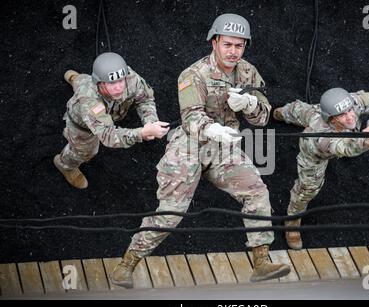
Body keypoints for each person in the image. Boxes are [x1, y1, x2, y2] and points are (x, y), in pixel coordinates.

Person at [111, 13, 291, 288]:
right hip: (189, 146)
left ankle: (261, 262)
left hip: (225, 146)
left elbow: (263, 118)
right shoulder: (193, 74)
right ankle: (128, 262)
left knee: (256, 191)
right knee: (172, 212)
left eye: (239, 46)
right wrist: (212, 129)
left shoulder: (248, 72)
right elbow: (191, 118)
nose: (233, 51)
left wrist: (250, 105)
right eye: (228, 44)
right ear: (214, 42)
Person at [273, 88, 369, 249]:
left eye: (350, 110)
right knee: (307, 188)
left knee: (302, 110)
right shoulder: (320, 136)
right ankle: (293, 220)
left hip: (320, 115)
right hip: (314, 154)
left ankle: (285, 112)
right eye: (342, 114)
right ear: (331, 118)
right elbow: (345, 148)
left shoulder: (353, 101)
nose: (350, 116)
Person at [54, 52, 169, 189]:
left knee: (82, 80)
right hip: (83, 125)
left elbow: (144, 99)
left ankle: (75, 78)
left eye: (121, 80)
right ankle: (64, 165)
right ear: (100, 83)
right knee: (86, 151)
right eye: (112, 83)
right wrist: (141, 133)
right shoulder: (89, 101)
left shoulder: (129, 77)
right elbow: (108, 136)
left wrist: (150, 121)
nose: (119, 87)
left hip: (108, 110)